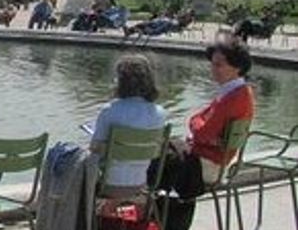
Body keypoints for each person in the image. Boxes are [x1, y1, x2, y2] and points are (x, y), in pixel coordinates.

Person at [149, 37, 255, 208]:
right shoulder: (239, 91)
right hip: (214, 159)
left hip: (209, 164)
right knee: (163, 149)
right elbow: (198, 120)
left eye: (219, 65)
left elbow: (201, 132)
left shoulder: (232, 98)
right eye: (212, 64)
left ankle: (147, 213)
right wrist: (197, 124)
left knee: (156, 156)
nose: (213, 70)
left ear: (238, 67)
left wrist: (196, 124)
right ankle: (154, 213)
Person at [87, 54, 168, 199]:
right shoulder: (159, 114)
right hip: (140, 183)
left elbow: (94, 149)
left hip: (108, 183)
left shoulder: (109, 111)